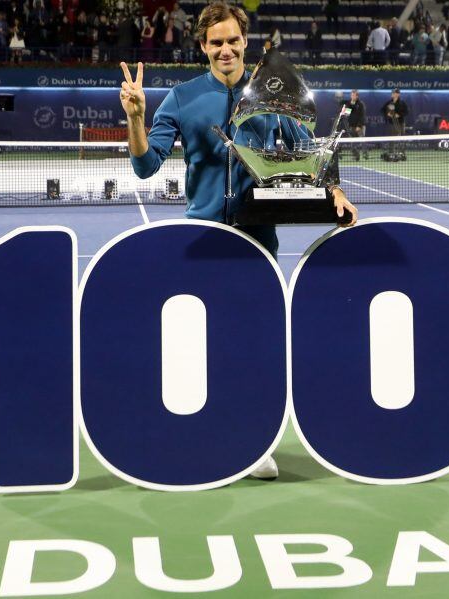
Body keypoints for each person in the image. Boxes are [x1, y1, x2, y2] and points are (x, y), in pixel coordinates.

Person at [119, 2, 357, 479]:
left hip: (257, 240)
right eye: (215, 42)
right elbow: (145, 166)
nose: (225, 49)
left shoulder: (270, 92)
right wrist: (136, 119)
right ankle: (198, 434)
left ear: (243, 42)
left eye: (232, 40)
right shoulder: (183, 98)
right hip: (202, 240)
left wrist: (334, 189)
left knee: (251, 343)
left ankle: (253, 442)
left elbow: (307, 150)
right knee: (198, 344)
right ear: (202, 46)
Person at [339, 90, 368, 160]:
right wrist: (349, 106)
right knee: (352, 142)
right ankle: (356, 156)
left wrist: (359, 125)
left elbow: (362, 116)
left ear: (357, 96)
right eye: (351, 95)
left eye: (354, 95)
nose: (352, 96)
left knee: (362, 141)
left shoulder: (361, 104)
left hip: (360, 126)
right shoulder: (349, 104)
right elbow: (347, 114)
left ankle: (365, 155)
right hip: (351, 126)